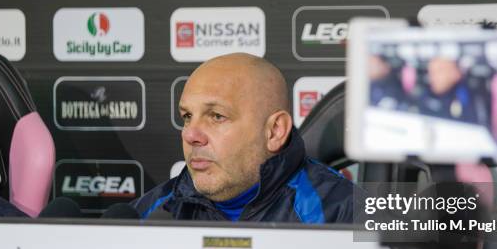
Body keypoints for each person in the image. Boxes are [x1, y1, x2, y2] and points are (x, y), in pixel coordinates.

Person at [131, 53, 356, 223]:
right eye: (187, 116)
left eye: (217, 116)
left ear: (275, 131)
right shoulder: (148, 214)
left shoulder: (347, 215)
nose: (190, 134)